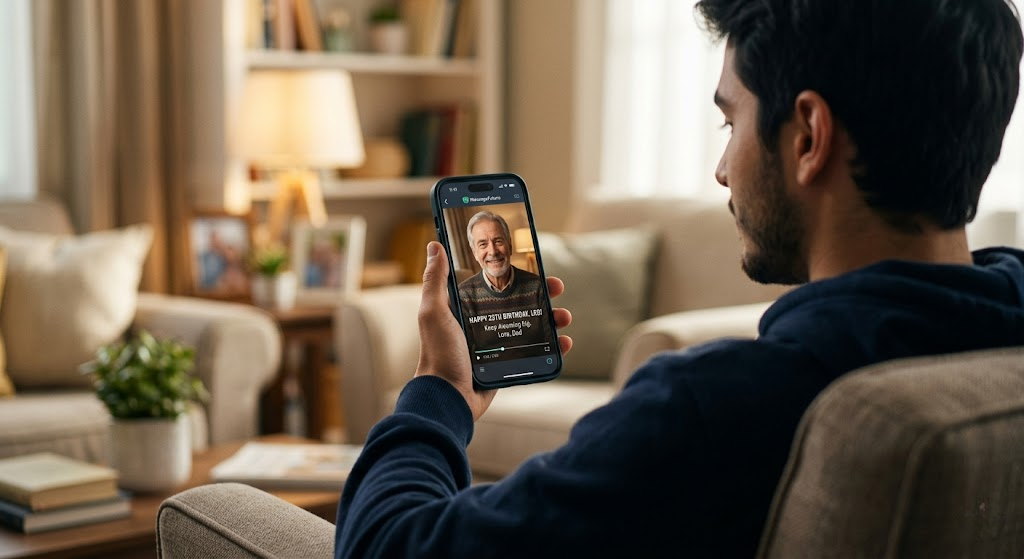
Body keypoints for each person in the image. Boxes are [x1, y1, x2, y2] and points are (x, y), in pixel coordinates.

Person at [335, 0, 1024, 556]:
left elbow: (383, 546)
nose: (722, 170)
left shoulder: (710, 411)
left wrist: (439, 392)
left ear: (809, 136)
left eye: (730, 122)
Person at [457, 211, 552, 358]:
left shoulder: (537, 286)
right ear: (475, 253)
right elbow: (466, 354)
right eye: (483, 244)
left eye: (498, 241)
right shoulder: (463, 294)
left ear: (510, 245)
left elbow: (550, 344)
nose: (492, 251)